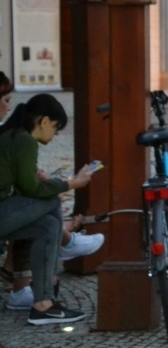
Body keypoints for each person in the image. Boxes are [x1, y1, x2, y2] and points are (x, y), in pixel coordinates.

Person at [0, 94, 98, 324]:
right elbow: (31, 190)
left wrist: (47, 182)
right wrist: (71, 183)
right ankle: (67, 243)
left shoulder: (12, 135)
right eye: (55, 127)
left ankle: (43, 304)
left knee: (48, 227)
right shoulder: (22, 140)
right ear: (44, 122)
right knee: (52, 202)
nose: (55, 135)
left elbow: (27, 187)